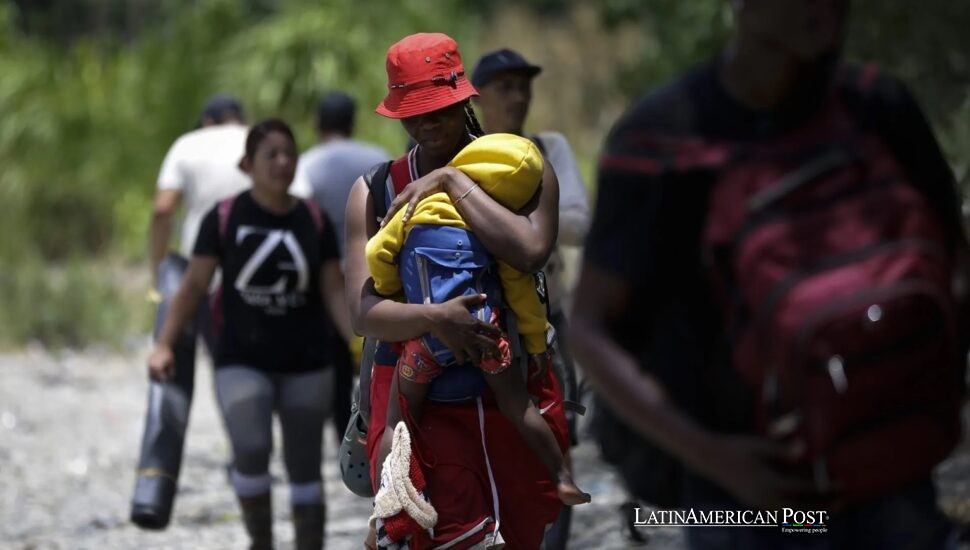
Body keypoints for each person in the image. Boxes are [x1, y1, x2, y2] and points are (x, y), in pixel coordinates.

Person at [571, 1, 968, 549]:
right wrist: (717, 459)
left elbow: (953, 264)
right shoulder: (663, 141)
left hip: (892, 477)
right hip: (754, 503)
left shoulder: (879, 107)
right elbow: (590, 329)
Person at [345, 32, 571, 549]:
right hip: (416, 393)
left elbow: (531, 251)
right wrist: (439, 318)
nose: (427, 123)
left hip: (508, 385)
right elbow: (363, 313)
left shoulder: (519, 170)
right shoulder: (376, 188)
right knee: (431, 532)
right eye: (413, 112)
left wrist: (452, 182)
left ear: (465, 99)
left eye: (440, 109)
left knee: (519, 530)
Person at [147, 119, 353, 549]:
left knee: (305, 466)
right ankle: (260, 541)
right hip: (241, 358)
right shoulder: (225, 216)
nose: (282, 163)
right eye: (271, 155)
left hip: (307, 361)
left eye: (289, 154)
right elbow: (193, 286)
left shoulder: (312, 219)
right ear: (247, 164)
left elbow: (334, 288)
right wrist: (165, 344)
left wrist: (358, 343)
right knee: (251, 448)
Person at [365, 132, 589, 510]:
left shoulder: (412, 210)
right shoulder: (491, 226)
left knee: (397, 419)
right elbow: (522, 292)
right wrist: (534, 345)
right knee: (519, 407)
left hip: (427, 343)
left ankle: (390, 497)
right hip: (487, 333)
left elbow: (378, 260)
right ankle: (561, 475)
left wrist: (399, 292)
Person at [470, 47, 592, 549]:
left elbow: (580, 223)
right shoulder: (463, 151)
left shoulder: (548, 147)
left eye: (524, 88)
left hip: (547, 320)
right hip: (478, 325)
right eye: (506, 88)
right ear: (478, 99)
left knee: (557, 438)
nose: (518, 98)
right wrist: (533, 215)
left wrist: (495, 215)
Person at [131, 94, 251, 529]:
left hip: (196, 280)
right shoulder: (258, 143)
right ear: (241, 119)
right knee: (236, 373)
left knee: (171, 373)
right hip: (249, 282)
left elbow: (163, 208)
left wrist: (159, 270)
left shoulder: (188, 144)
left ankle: (155, 485)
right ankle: (247, 468)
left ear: (206, 121)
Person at [289, 92, 391, 447]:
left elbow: (298, 217)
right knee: (377, 357)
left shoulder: (306, 164)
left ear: (318, 123)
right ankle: (377, 428)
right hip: (376, 275)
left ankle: (344, 438)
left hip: (325, 279)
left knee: (334, 357)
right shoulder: (377, 159)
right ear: (353, 121)